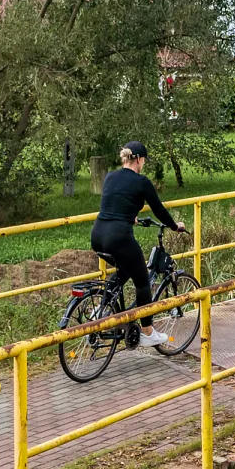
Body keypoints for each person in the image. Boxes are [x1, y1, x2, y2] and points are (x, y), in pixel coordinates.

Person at [91, 141, 187, 348]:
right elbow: (159, 210)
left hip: (98, 235)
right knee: (143, 280)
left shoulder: (110, 176)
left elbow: (115, 201)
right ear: (138, 159)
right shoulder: (141, 182)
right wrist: (174, 225)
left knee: (126, 269)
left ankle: (101, 308)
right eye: (144, 160)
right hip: (119, 237)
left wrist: (131, 216)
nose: (144, 164)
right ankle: (147, 331)